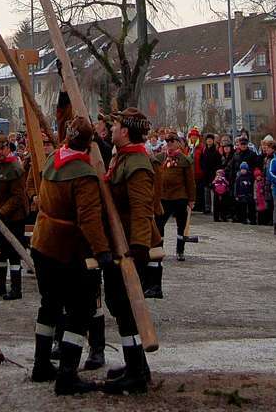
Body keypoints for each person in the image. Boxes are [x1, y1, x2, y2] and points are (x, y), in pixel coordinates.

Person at [30, 115, 112, 396]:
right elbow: (89, 218)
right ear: (89, 145)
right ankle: (67, 375)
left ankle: (41, 364)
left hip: (42, 243)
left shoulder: (53, 159)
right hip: (66, 249)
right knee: (80, 310)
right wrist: (102, 251)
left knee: (49, 305)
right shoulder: (82, 173)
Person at [102, 108, 160, 394]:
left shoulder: (136, 163)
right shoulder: (122, 157)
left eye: (114, 125)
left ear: (125, 131)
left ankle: (137, 371)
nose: (111, 129)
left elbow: (141, 209)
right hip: (119, 241)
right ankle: (135, 364)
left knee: (124, 305)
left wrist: (138, 248)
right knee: (118, 304)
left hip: (129, 246)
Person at [0, 132, 29, 301]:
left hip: (14, 216)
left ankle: (16, 288)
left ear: (7, 147)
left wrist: (2, 212)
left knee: (13, 252)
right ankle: (0, 284)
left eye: (1, 149)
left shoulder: (15, 168)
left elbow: (18, 197)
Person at [156, 132, 196, 261]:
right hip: (164, 197)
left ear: (178, 143)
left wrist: (191, 199)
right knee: (159, 225)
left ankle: (180, 251)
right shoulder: (159, 158)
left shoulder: (185, 159)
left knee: (181, 225)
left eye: (172, 142)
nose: (169, 144)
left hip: (180, 197)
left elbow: (190, 181)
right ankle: (159, 250)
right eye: (167, 142)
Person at [200, 133, 220, 215]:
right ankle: (207, 207)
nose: (209, 141)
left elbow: (217, 163)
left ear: (213, 141)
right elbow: (201, 161)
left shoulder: (216, 151)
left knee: (212, 191)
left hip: (212, 173)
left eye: (211, 140)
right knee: (206, 191)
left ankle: (213, 208)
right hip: (205, 173)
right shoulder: (204, 150)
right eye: (208, 140)